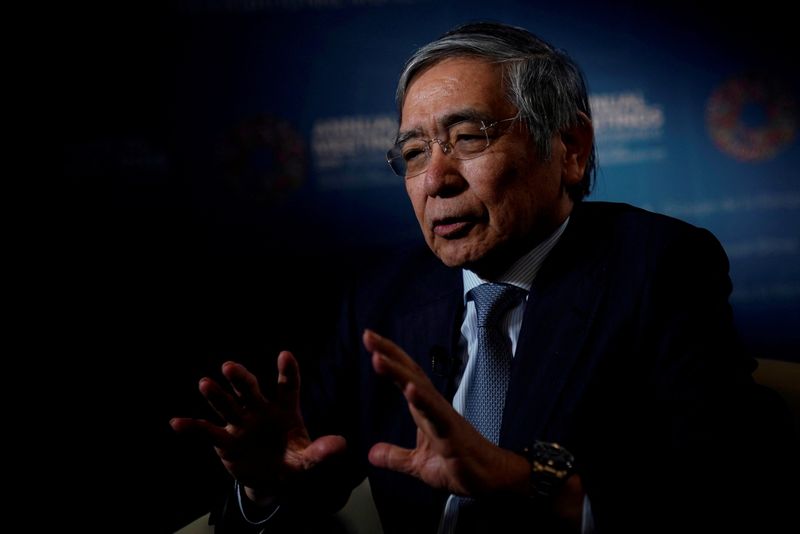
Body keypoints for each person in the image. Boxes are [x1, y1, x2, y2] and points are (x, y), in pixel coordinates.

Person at [171, 22, 797, 533]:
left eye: (467, 137)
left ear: (571, 149)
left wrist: (527, 482)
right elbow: (307, 478)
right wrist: (263, 485)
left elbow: (729, 482)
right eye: (413, 153)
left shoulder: (658, 265)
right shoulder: (382, 298)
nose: (435, 180)